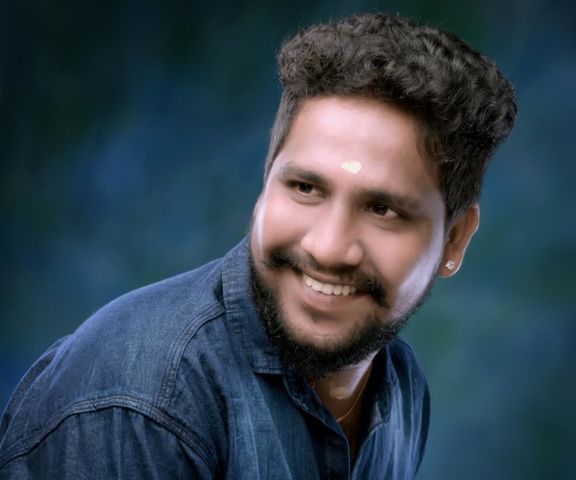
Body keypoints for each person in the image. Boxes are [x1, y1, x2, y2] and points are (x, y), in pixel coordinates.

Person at [0, 12, 516, 479]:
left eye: (383, 209)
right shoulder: (142, 405)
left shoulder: (399, 388)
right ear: (266, 180)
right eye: (305, 187)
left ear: (455, 238)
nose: (328, 248)